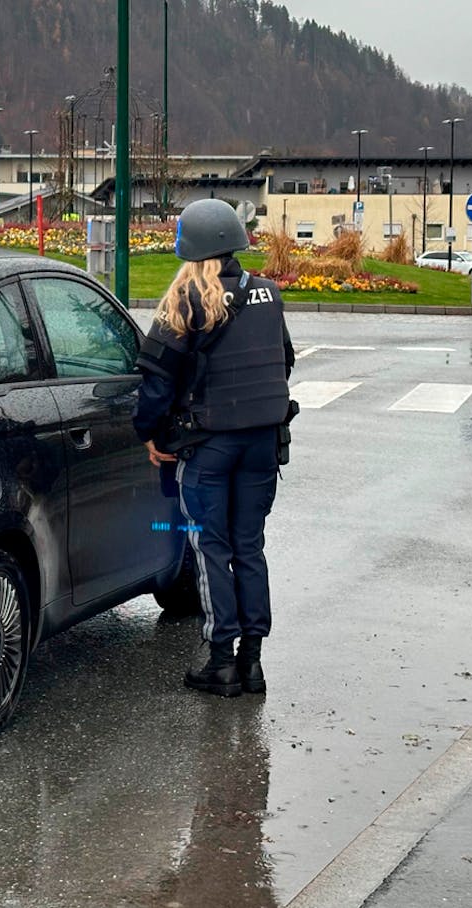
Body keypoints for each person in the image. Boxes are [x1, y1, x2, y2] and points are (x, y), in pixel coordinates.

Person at [133, 199, 295, 697]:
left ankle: (220, 661)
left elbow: (157, 381)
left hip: (208, 447)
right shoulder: (268, 293)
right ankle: (253, 663)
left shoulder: (185, 299)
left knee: (209, 548)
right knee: (250, 548)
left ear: (190, 251)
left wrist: (150, 435)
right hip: (263, 444)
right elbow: (283, 362)